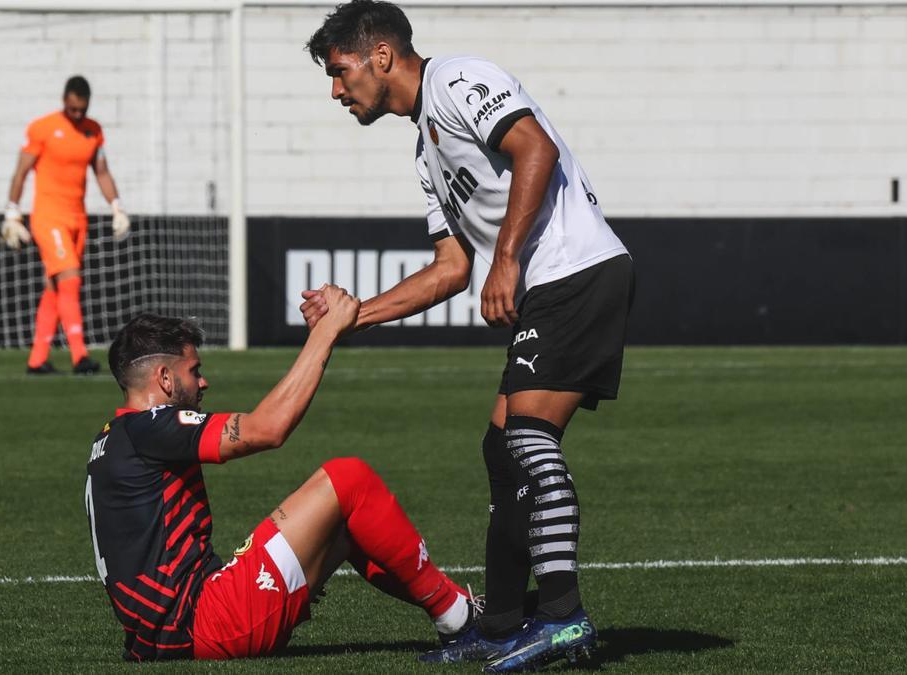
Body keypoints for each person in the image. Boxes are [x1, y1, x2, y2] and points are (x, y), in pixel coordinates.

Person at [303, 1, 634, 670]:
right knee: (501, 447)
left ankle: (566, 619)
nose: (336, 91)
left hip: (577, 269)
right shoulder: (425, 148)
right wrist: (353, 315)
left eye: (340, 72)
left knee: (529, 437)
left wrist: (507, 255)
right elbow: (452, 270)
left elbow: (533, 144)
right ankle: (505, 623)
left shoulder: (456, 80)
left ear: (383, 58)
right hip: (553, 281)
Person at [84, 287, 476, 662]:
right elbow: (267, 429)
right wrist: (326, 333)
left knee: (343, 527)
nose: (204, 382)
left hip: (164, 635)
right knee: (348, 478)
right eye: (194, 370)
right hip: (203, 623)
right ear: (165, 379)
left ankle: (463, 607)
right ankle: (459, 618)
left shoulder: (111, 440)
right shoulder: (150, 426)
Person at [1, 75, 130, 376]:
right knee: (70, 280)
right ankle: (80, 356)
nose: (76, 115)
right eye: (72, 109)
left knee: (54, 288)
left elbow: (102, 171)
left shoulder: (93, 131)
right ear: (64, 101)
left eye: (81, 110)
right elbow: (21, 171)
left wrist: (117, 207)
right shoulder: (42, 128)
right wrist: (11, 212)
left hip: (77, 218)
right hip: (48, 216)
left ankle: (37, 360)